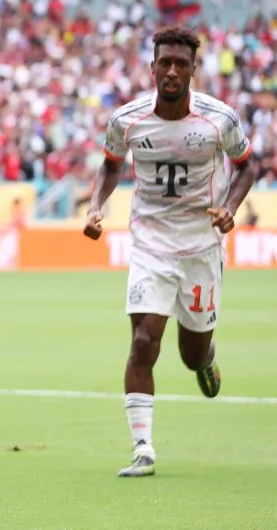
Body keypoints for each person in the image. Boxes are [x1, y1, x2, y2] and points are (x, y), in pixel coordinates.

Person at [83, 26, 257, 478]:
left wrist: (230, 208)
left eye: (182, 63)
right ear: (153, 68)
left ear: (194, 69)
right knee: (144, 340)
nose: (173, 71)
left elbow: (247, 167)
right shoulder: (128, 119)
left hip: (201, 246)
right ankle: (143, 449)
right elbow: (109, 166)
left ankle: (206, 358)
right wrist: (96, 206)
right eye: (165, 63)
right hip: (150, 244)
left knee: (191, 354)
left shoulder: (219, 119)